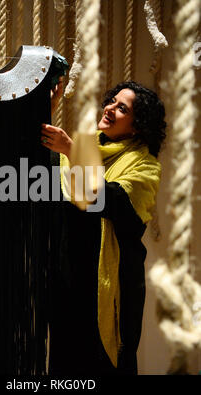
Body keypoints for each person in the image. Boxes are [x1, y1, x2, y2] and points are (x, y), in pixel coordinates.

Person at [41, 80, 167, 375]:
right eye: (111, 100)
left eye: (122, 108)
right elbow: (38, 166)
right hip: (69, 285)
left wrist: (73, 153)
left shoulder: (145, 167)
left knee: (105, 366)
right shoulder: (81, 151)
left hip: (110, 293)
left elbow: (110, 200)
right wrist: (46, 111)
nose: (109, 107)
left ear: (137, 126)